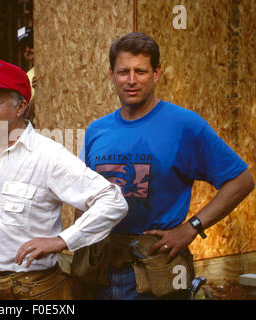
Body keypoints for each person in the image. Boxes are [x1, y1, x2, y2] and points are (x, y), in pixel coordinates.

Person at [81, 32, 254, 300]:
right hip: (101, 270)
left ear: (156, 73)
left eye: (140, 71)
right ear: (111, 75)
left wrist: (191, 227)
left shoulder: (184, 125)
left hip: (157, 271)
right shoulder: (96, 131)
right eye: (123, 71)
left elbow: (241, 180)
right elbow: (85, 196)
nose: (131, 80)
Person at [0, 59, 128, 300]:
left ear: (20, 107)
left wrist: (62, 240)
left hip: (30, 291)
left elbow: (112, 201)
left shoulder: (47, 156)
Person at [17, 27, 37, 125]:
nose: (27, 49)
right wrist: (38, 92)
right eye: (23, 48)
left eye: (30, 44)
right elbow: (26, 115)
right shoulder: (27, 77)